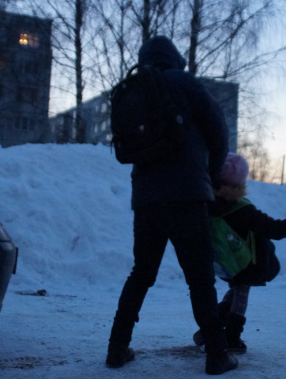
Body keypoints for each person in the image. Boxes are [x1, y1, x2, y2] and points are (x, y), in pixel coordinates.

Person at [106, 36, 238, 375]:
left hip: (147, 200)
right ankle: (217, 354)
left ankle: (117, 348)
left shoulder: (137, 90)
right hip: (187, 196)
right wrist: (207, 176)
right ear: (174, 58)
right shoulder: (183, 82)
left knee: (141, 273)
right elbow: (219, 132)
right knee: (199, 277)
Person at [194, 152, 286, 354]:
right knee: (240, 296)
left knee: (234, 291)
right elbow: (274, 228)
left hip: (225, 264)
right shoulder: (243, 210)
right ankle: (231, 338)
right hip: (248, 264)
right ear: (239, 183)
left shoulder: (205, 206)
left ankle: (207, 331)